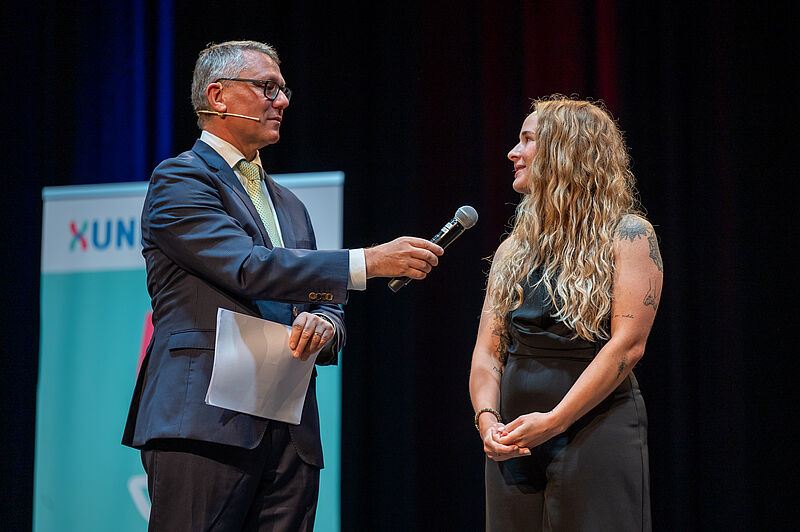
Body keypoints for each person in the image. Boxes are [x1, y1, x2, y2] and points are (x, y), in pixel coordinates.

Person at [122, 40, 443, 531]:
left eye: (283, 88)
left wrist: (325, 323)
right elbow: (245, 266)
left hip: (288, 425)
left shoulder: (290, 204)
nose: (283, 101)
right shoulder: (180, 179)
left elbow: (320, 299)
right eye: (267, 87)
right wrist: (368, 261)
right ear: (218, 96)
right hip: (206, 420)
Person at [469, 96, 662, 531]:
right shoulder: (512, 249)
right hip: (514, 438)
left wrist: (555, 421)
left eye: (527, 140)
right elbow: (487, 353)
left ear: (566, 150)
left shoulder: (629, 235)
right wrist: (487, 420)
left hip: (594, 428)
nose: (513, 153)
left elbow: (627, 347)